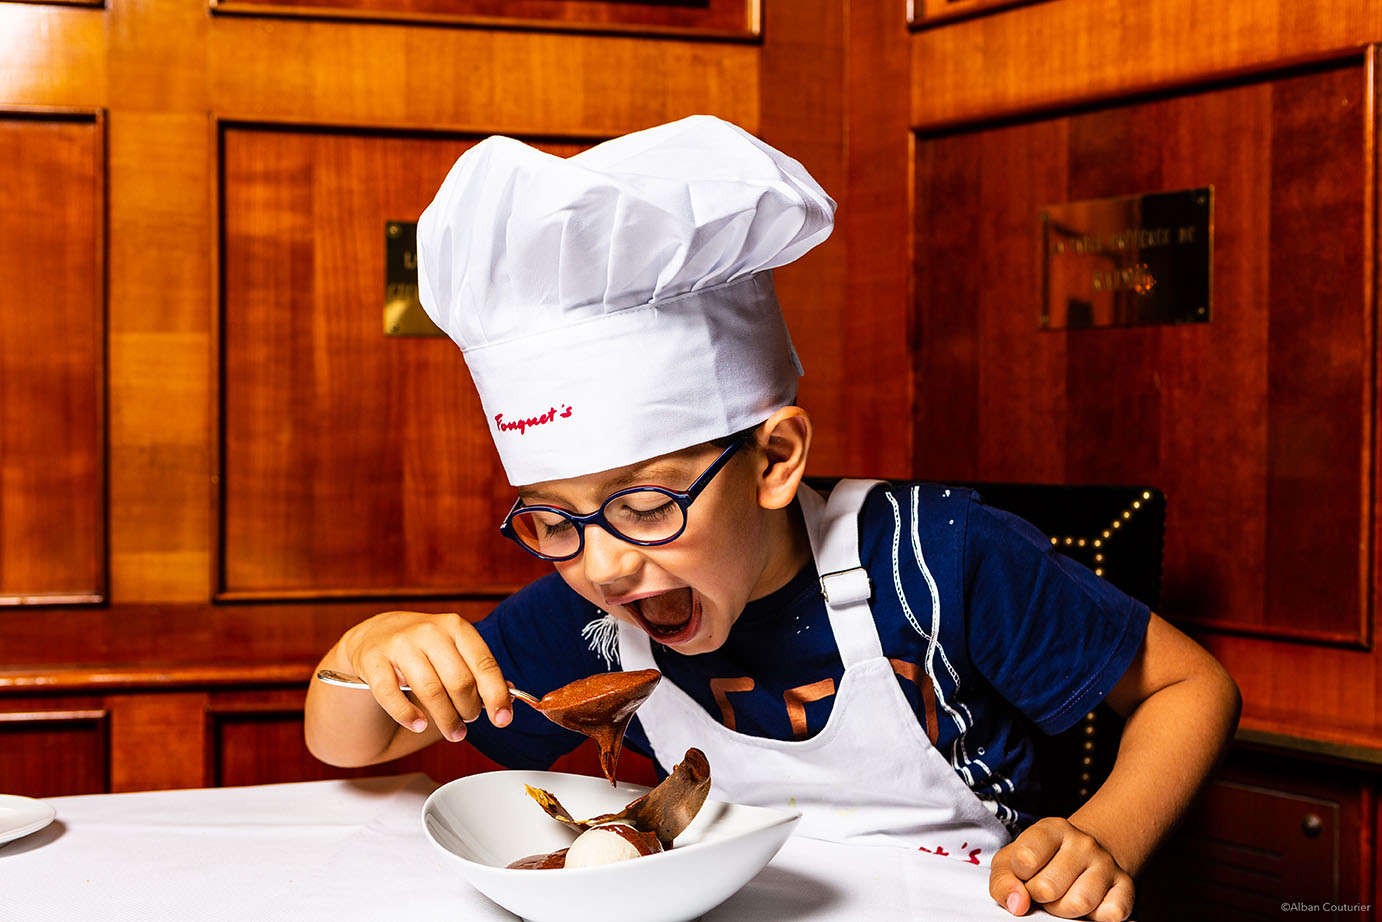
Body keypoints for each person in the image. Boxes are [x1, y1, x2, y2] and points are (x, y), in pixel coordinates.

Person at [304, 115, 1240, 921]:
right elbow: (355, 744)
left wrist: (1102, 838)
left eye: (641, 505)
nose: (602, 564)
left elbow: (1190, 689)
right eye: (554, 520)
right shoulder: (597, 619)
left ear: (775, 460)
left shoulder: (942, 559)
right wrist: (363, 657)